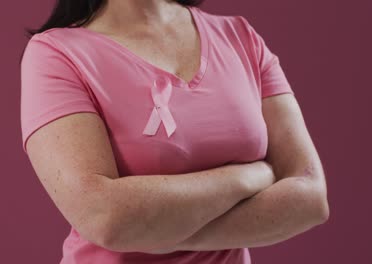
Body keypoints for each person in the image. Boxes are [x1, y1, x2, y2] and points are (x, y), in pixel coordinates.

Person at [19, 0, 330, 263]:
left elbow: (310, 196)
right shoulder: (56, 54)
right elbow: (104, 218)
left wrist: (161, 234)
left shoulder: (240, 37)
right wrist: (248, 177)